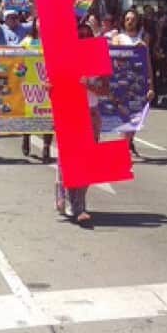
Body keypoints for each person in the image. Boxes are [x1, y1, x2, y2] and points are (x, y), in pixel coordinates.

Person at [54, 22, 106, 226]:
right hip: (69, 113)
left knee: (86, 163)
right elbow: (53, 84)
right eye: (79, 34)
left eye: (87, 35)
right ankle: (76, 206)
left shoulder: (97, 59)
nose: (83, 37)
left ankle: (76, 201)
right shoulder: (63, 57)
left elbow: (105, 89)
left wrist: (90, 84)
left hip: (91, 114)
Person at [112, 9, 156, 159]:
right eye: (128, 19)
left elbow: (147, 63)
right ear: (124, 21)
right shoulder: (118, 38)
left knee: (136, 118)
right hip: (123, 83)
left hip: (138, 83)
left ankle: (128, 142)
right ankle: (123, 150)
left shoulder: (143, 40)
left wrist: (151, 85)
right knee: (125, 118)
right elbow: (115, 59)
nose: (130, 22)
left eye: (133, 19)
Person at [19, 16, 54, 164]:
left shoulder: (54, 41)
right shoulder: (27, 41)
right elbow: (17, 58)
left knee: (49, 116)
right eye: (39, 21)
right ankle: (26, 136)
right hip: (30, 82)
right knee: (29, 114)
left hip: (48, 82)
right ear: (35, 24)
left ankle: (46, 146)